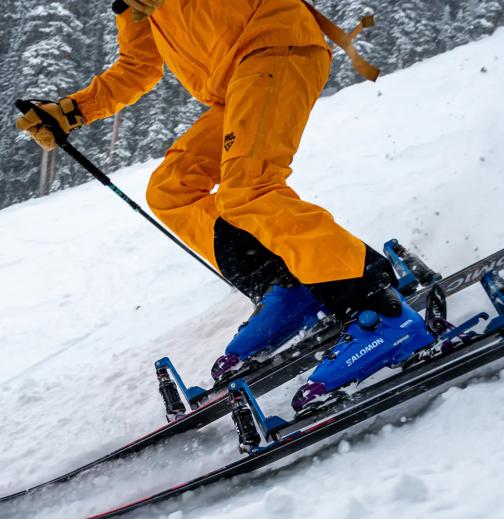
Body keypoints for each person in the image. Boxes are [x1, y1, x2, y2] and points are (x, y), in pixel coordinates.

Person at [16, 0, 434, 412]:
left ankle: (380, 310)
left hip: (276, 45)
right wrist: (72, 111)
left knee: (249, 188)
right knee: (172, 189)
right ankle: (288, 286)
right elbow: (138, 66)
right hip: (236, 83)